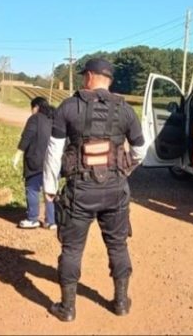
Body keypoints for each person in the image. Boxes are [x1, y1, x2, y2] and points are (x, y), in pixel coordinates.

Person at [43, 58, 146, 322]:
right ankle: (121, 302)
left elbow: (54, 152)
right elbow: (140, 150)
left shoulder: (68, 107)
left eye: (82, 76)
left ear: (89, 76)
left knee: (72, 249)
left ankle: (67, 309)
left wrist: (49, 188)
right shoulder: (125, 110)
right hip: (115, 190)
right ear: (108, 79)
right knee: (118, 245)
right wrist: (124, 171)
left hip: (80, 191)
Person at [14, 96, 57, 230]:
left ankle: (33, 219)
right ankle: (51, 221)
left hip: (36, 160)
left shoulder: (35, 118)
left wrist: (17, 154)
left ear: (36, 107)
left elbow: (27, 136)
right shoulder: (54, 118)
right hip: (53, 160)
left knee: (32, 188)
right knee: (49, 189)